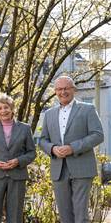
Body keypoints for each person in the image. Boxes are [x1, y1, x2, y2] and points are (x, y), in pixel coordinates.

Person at [40, 76, 104, 223]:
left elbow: (98, 135)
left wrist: (72, 148)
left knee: (81, 215)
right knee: (64, 215)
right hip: (59, 169)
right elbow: (43, 140)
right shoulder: (49, 114)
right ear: (55, 91)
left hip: (82, 167)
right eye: (59, 89)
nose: (63, 92)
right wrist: (53, 148)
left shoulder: (88, 109)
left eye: (66, 88)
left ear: (73, 89)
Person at [0, 93, 36, 223]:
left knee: (15, 214)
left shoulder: (25, 128)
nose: (3, 111)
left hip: (17, 176)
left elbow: (32, 152)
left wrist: (18, 161)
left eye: (6, 107)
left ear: (12, 109)